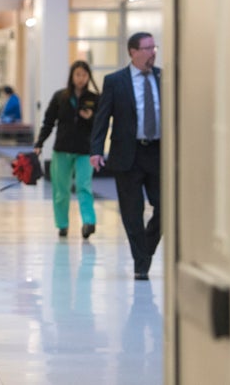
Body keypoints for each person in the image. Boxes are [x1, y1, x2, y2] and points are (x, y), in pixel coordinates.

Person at [90, 32, 161, 281]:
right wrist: (96, 150)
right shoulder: (115, 81)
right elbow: (102, 117)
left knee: (165, 207)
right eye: (148, 48)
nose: (153, 52)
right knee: (132, 212)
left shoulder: (164, 78)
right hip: (127, 154)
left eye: (154, 47)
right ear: (133, 51)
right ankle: (141, 263)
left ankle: (144, 252)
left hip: (157, 152)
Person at [34, 61, 101, 238]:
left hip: (85, 151)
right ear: (72, 76)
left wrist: (90, 118)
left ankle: (88, 222)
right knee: (61, 190)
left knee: (84, 186)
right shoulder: (60, 97)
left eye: (84, 75)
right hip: (62, 150)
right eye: (77, 74)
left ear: (88, 77)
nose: (81, 78)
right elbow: (48, 122)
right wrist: (39, 143)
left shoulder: (94, 99)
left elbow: (100, 126)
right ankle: (62, 224)